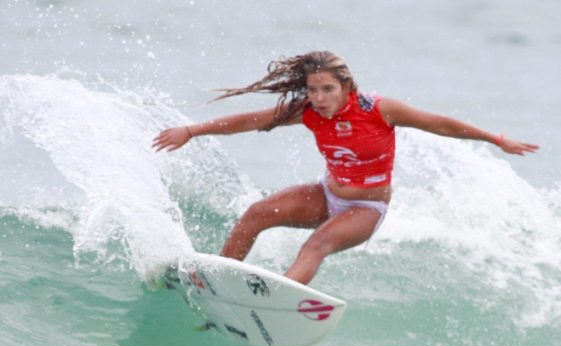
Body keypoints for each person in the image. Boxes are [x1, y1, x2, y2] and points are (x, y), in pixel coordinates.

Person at [153, 51, 538, 285]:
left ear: (346, 86)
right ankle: (215, 282)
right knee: (255, 214)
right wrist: (192, 130)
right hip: (327, 194)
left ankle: (274, 302)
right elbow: (252, 120)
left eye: (327, 90)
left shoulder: (379, 110)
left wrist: (495, 139)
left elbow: (438, 122)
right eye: (312, 90)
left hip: (365, 210)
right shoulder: (307, 112)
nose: (318, 98)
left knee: (315, 245)